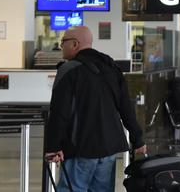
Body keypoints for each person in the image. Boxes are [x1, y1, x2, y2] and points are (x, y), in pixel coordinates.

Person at [45, 26, 146, 191]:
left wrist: (53, 147)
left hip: (80, 147)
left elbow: (59, 111)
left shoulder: (68, 70)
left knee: (74, 188)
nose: (61, 46)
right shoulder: (111, 66)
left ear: (75, 44)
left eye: (63, 42)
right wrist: (137, 138)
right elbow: (125, 106)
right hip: (109, 147)